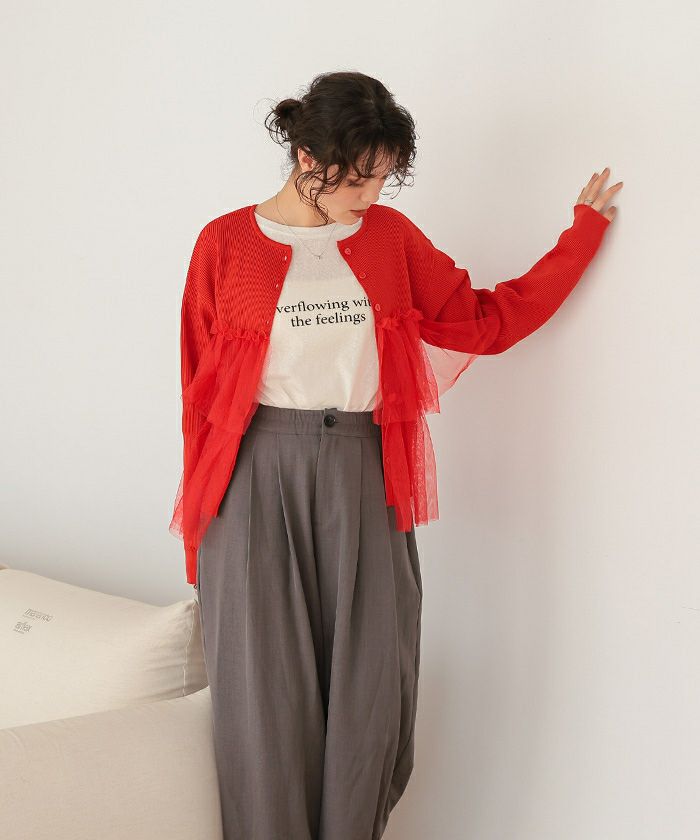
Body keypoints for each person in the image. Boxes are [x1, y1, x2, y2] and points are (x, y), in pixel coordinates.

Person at [173, 70, 622, 840]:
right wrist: (197, 534)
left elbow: (485, 320)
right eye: (357, 179)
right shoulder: (225, 245)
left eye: (383, 178)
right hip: (252, 482)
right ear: (307, 158)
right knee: (262, 700)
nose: (371, 196)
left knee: (372, 687)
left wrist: (579, 237)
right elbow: (197, 393)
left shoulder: (389, 239)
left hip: (363, 471)